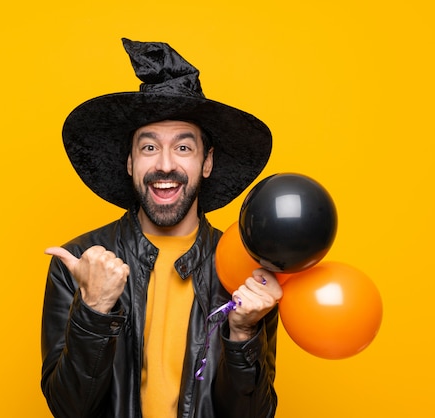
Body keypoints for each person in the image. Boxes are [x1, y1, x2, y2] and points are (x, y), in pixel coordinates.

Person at [41, 38, 283, 418]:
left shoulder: (247, 274)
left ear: (207, 163)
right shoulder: (78, 266)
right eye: (149, 148)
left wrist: (242, 334)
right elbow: (69, 409)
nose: (165, 165)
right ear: (129, 163)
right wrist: (94, 308)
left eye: (184, 148)